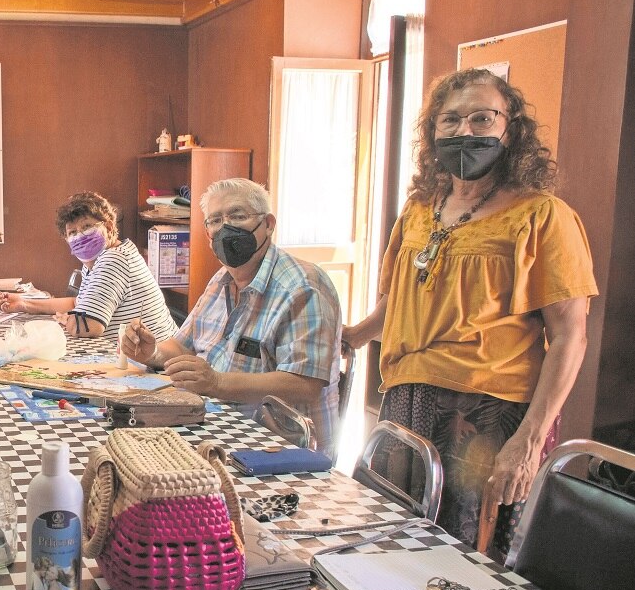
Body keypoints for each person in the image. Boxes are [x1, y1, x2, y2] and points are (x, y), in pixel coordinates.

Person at [343, 68, 597, 555]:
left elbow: (570, 338)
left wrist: (528, 440)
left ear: (511, 128)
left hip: (487, 410)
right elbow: (401, 298)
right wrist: (353, 336)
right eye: (451, 120)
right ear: (433, 131)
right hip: (406, 399)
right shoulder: (420, 210)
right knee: (389, 540)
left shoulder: (541, 216)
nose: (465, 132)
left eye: (482, 119)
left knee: (461, 555)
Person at [121, 178, 343, 455]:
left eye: (238, 216)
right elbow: (181, 346)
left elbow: (305, 385)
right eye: (215, 220)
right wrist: (151, 352)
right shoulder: (222, 279)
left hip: (281, 450)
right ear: (207, 234)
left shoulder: (304, 287)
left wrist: (217, 383)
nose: (226, 228)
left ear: (268, 224)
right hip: (217, 430)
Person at [0, 191, 177, 341]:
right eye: (72, 232)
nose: (80, 236)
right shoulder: (101, 259)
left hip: (154, 367)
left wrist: (72, 319)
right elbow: (77, 303)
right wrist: (24, 303)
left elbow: (89, 326)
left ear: (109, 227)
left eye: (88, 226)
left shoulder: (113, 261)